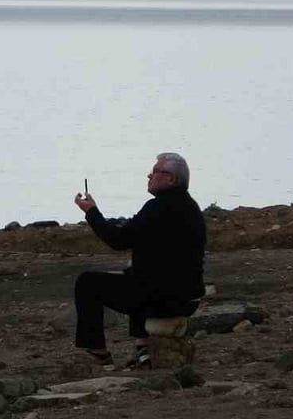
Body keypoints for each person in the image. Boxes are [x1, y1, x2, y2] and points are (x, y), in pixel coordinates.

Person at [72, 152, 206, 369]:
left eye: (155, 171)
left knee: (87, 283)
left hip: (165, 299)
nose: (149, 175)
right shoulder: (190, 207)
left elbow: (118, 240)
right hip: (189, 298)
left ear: (171, 179)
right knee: (136, 274)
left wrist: (91, 212)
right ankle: (142, 349)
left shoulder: (158, 207)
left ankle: (98, 352)